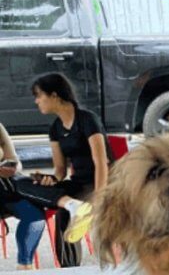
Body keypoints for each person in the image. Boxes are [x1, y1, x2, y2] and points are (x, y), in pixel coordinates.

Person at [12, 72, 113, 267]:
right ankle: (72, 205)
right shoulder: (55, 128)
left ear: (54, 96)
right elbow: (60, 170)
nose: (36, 101)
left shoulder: (87, 120)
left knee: (62, 213)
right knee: (21, 183)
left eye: (39, 95)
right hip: (77, 184)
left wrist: (100, 196)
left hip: (101, 181)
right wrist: (51, 180)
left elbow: (102, 161)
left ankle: (72, 207)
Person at [0, 123, 46, 270]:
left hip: (7, 188)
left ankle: (25, 265)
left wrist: (12, 169)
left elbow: (15, 161)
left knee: (35, 214)